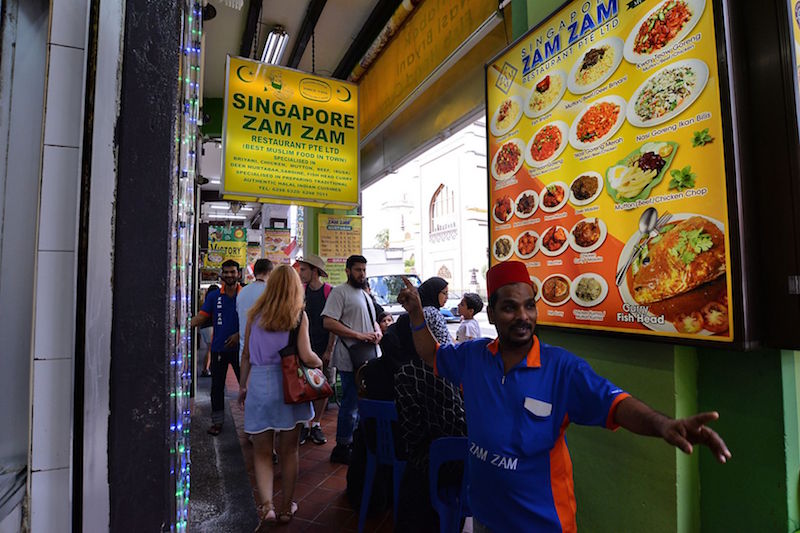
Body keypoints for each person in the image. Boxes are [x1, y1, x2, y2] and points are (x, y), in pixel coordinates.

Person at [396, 261, 731, 532]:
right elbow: (432, 354)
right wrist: (415, 315)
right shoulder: (472, 357)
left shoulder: (562, 368)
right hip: (486, 518)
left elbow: (615, 404)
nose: (523, 316)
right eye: (510, 307)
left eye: (529, 306)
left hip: (542, 524)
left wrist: (663, 425)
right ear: (492, 314)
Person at [237, 264, 323, 527]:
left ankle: (267, 507)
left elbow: (246, 355)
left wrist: (243, 387)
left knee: (262, 451)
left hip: (259, 384)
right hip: (288, 386)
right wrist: (318, 363)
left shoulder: (254, 315)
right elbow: (306, 355)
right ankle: (286, 507)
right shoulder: (298, 316)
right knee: (289, 451)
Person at [391, 276, 464, 531]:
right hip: (454, 464)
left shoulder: (402, 373)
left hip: (418, 462)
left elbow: (411, 436)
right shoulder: (443, 374)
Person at [322, 254, 382, 464]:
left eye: (364, 270)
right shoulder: (339, 292)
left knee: (361, 403)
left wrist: (377, 331)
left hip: (367, 357)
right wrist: (358, 335)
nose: (362, 274)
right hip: (349, 358)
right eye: (358, 270)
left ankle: (356, 443)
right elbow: (328, 322)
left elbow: (373, 321)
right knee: (350, 404)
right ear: (348, 271)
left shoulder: (365, 294)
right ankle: (342, 446)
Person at [190, 261, 242, 436]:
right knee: (217, 388)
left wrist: (239, 335)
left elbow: (255, 321)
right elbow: (202, 317)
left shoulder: (245, 294)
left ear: (238, 274)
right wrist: (183, 326)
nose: (229, 275)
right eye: (226, 272)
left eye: (232, 272)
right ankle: (217, 422)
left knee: (247, 387)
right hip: (218, 350)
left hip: (242, 351)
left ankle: (252, 425)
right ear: (221, 274)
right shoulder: (213, 296)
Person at [296, 254, 336, 446]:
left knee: (322, 387)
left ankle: (316, 424)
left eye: (303, 269)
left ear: (315, 271)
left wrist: (329, 350)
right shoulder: (300, 292)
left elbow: (333, 323)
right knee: (303, 386)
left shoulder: (329, 292)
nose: (300, 273)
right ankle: (305, 423)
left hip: (323, 348)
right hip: (303, 348)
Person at [237, 259, 274, 362]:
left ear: (254, 272)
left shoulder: (242, 292)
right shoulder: (271, 293)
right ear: (270, 272)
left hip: (244, 352)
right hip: (265, 354)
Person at [198, 284, 219, 377]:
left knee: (209, 348)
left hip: (204, 327)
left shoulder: (205, 302)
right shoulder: (214, 302)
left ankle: (206, 368)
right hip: (210, 326)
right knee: (210, 349)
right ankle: (205, 369)